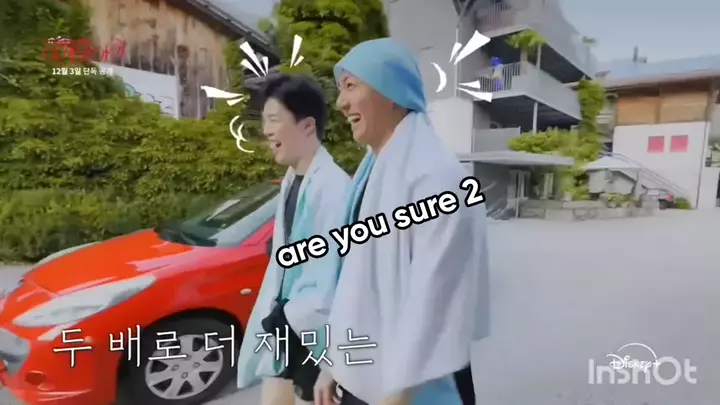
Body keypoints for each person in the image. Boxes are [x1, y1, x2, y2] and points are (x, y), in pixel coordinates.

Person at [313, 38, 490, 405]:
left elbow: (435, 299)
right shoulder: (371, 173)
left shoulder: (436, 178)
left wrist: (396, 396)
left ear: (391, 91)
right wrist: (333, 364)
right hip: (364, 372)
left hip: (411, 388)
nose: (341, 103)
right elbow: (351, 280)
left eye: (351, 86)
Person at [236, 73, 351, 405]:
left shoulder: (333, 189)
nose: (266, 131)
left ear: (307, 126)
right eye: (265, 120)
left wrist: (291, 315)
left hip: (314, 330)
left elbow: (333, 276)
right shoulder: (292, 179)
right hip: (289, 324)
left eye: (274, 119)